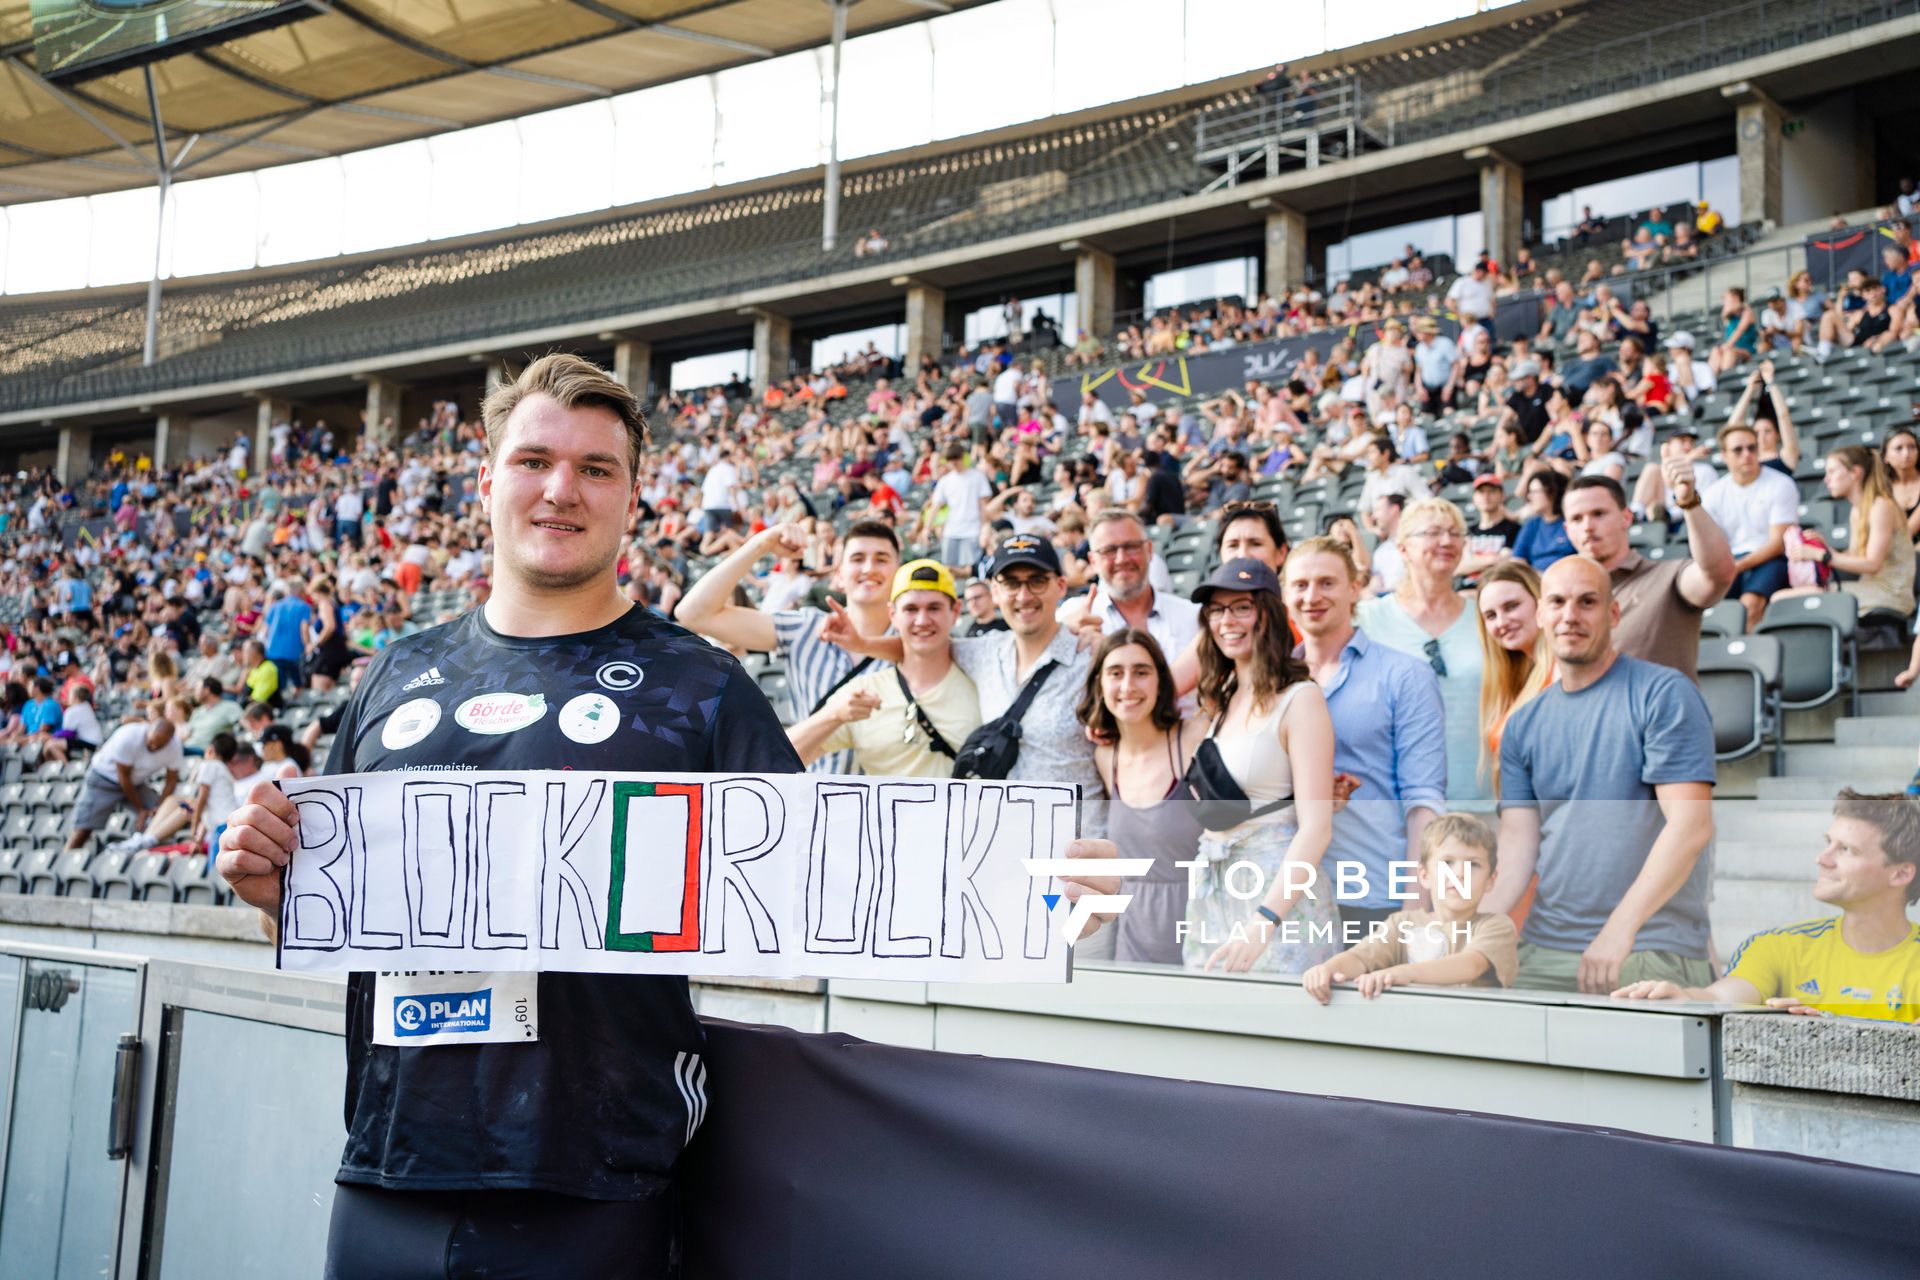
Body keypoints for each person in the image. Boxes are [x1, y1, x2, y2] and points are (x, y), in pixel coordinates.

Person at [218, 352, 810, 1277]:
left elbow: (822, 883)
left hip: (595, 1178)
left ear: (632, 496)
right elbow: (312, 913)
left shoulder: (699, 685)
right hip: (390, 1167)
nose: (560, 489)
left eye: (595, 468)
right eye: (535, 460)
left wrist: (1032, 880)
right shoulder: (394, 674)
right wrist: (269, 888)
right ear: (489, 478)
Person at [1487, 557, 1716, 993]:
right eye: (1557, 602)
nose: (1570, 616)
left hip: (1646, 943)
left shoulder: (1664, 694)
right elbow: (1518, 845)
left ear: (1613, 614)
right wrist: (1477, 931)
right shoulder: (1523, 724)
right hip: (1545, 942)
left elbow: (1691, 826)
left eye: (1587, 602)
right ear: (1540, 614)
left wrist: (1619, 929)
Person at [1615, 789, 1920, 1022]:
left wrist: (1832, 1026)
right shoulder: (1776, 947)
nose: (1822, 859)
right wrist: (1684, 996)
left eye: (1846, 849)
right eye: (1828, 842)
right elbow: (1721, 995)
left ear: (1901, 873)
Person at [1183, 559, 1340, 973]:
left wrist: (1265, 920)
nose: (1226, 621)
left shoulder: (1301, 698)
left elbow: (1317, 828)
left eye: (1240, 608)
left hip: (1276, 896)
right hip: (1215, 889)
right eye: (1216, 610)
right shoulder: (1222, 697)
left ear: (1267, 615)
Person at [1284, 537, 1445, 937]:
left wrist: (1414, 909)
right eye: (1300, 585)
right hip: (1289, 895)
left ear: (1355, 588)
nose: (1312, 596)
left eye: (1327, 583)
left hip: (1373, 892)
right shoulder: (1273, 681)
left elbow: (1423, 800)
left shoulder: (1406, 676)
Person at [676, 519, 902, 775]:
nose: (869, 568)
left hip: (887, 804)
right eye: (858, 558)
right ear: (839, 573)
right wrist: (762, 543)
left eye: (882, 559)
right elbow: (693, 613)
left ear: (899, 571)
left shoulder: (916, 642)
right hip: (812, 801)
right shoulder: (805, 628)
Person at [787, 560, 979, 777]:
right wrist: (833, 715)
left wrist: (862, 644)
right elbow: (781, 755)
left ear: (955, 612)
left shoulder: (982, 680)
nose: (922, 620)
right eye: (911, 609)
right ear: (892, 615)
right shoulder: (864, 690)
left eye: (934, 608)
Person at [1079, 629, 1203, 965]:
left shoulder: (1192, 739)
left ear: (1162, 681)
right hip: (1131, 937)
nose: (1128, 686)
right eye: (1115, 673)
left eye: (1142, 672)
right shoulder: (1106, 757)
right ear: (1099, 684)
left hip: (1195, 931)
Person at [1300, 813, 1519, 1002]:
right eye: (1447, 863)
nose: (1459, 873)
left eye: (1473, 864)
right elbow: (1360, 958)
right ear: (1424, 876)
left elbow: (1471, 965)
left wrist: (1404, 973)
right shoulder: (1402, 924)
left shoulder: (1496, 926)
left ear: (1491, 879)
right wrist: (1328, 970)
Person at [1357, 498, 1488, 810]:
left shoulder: (1486, 617)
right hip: (1395, 804)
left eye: (1455, 533)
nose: (1446, 541)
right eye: (1432, 532)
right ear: (1403, 549)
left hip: (1479, 796)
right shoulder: (1368, 619)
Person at [1563, 473, 1734, 681]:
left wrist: (1689, 503)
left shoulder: (1668, 577)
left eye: (1598, 514)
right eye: (1576, 519)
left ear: (1626, 517)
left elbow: (1717, 574)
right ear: (1567, 530)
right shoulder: (1559, 601)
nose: (1588, 526)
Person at [1780, 446, 1916, 619]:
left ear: (1855, 473)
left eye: (1832, 472)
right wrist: (1827, 549)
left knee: (1783, 600)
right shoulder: (1857, 510)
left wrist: (1823, 555)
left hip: (1890, 595)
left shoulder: (1882, 506)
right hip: (1868, 589)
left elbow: (1872, 564)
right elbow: (1855, 556)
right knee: (1784, 599)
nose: (1826, 479)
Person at [1060, 510, 1201, 662]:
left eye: (1131, 547)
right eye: (1109, 550)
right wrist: (1060, 636)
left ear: (1149, 550)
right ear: (1093, 560)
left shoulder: (1192, 617)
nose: (1121, 559)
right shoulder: (1072, 616)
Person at [1702, 419, 1799, 629]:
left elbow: (1777, 544)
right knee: (1706, 606)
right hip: (1731, 560)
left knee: (1750, 605)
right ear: (1724, 455)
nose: (1747, 454)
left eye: (1751, 447)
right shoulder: (1713, 494)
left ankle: (1744, 658)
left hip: (1772, 558)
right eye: (1738, 450)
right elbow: (1712, 545)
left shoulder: (1781, 484)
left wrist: (1737, 566)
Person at [1475, 560, 1553, 800]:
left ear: (1540, 604)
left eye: (1512, 606)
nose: (1501, 622)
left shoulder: (1563, 675)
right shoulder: (1516, 680)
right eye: (1490, 615)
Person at [67, 715, 183, 851]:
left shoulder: (175, 746)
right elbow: (123, 777)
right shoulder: (129, 736)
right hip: (104, 779)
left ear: (170, 741)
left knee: (162, 815)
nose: (154, 746)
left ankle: (142, 851)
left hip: (136, 782)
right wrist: (140, 810)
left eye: (159, 745)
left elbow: (171, 780)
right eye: (152, 742)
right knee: (83, 829)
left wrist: (159, 807)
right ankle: (67, 856)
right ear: (148, 730)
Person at [922, 444, 994, 571]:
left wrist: (985, 527)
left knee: (972, 568)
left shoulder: (977, 476)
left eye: (956, 458)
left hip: (973, 529)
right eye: (950, 459)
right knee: (948, 569)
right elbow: (935, 506)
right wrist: (926, 528)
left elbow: (983, 507)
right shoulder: (945, 481)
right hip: (951, 530)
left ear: (962, 457)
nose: (953, 462)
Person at [1512, 469, 1574, 571]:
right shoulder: (1531, 525)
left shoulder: (1572, 521)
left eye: (1534, 492)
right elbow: (1517, 560)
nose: (1529, 496)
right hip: (1534, 581)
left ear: (1553, 492)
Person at [261, 581, 313, 693]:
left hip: (273, 652)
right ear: (300, 592)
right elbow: (304, 628)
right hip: (293, 653)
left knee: (279, 687)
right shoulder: (304, 607)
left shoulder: (275, 606)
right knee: (298, 685)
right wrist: (307, 645)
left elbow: (265, 630)